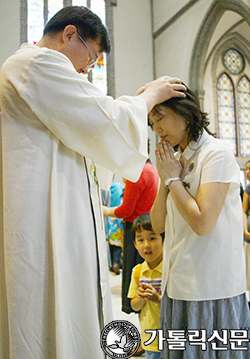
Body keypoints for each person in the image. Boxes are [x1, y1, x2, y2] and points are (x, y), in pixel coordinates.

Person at [0, 5, 186, 359]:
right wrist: (150, 95)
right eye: (92, 55)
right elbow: (106, 119)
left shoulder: (37, 72)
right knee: (48, 313)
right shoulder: (35, 64)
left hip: (58, 217)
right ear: (70, 35)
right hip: (42, 224)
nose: (90, 68)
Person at [149, 86, 250, 358]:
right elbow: (157, 224)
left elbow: (203, 222)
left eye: (160, 116)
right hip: (178, 282)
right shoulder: (176, 160)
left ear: (184, 111)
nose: (156, 127)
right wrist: (166, 179)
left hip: (211, 288)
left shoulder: (215, 153)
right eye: (152, 121)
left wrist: (173, 179)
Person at [103, 154, 159, 314]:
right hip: (150, 225)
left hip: (135, 228)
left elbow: (126, 209)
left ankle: (132, 305)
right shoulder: (151, 169)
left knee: (133, 270)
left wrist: (106, 210)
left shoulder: (136, 173)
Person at [128, 213, 164, 359]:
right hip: (150, 339)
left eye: (152, 238)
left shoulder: (171, 269)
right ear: (135, 244)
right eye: (140, 240)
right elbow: (134, 306)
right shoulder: (137, 272)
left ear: (163, 239)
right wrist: (141, 298)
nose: (146, 245)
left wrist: (158, 299)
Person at [106, 181, 124, 274]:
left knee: (110, 243)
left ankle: (111, 263)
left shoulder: (107, 187)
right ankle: (116, 263)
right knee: (117, 243)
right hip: (117, 216)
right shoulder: (118, 186)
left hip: (108, 216)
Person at [242, 160, 250, 305]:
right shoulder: (248, 188)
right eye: (246, 169)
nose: (247, 172)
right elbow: (243, 211)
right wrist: (246, 231)